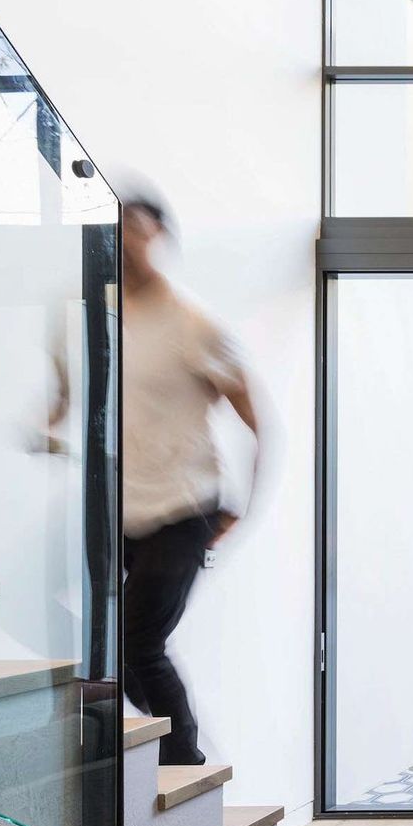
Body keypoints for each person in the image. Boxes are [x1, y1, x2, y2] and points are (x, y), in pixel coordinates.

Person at [118, 195, 262, 767]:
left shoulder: (192, 322)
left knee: (140, 644)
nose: (127, 241)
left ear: (159, 236)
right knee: (120, 651)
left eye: (137, 229)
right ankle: (162, 741)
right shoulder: (95, 317)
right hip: (117, 506)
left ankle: (182, 759)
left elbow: (255, 418)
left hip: (183, 508)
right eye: (118, 229)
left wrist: (237, 507)